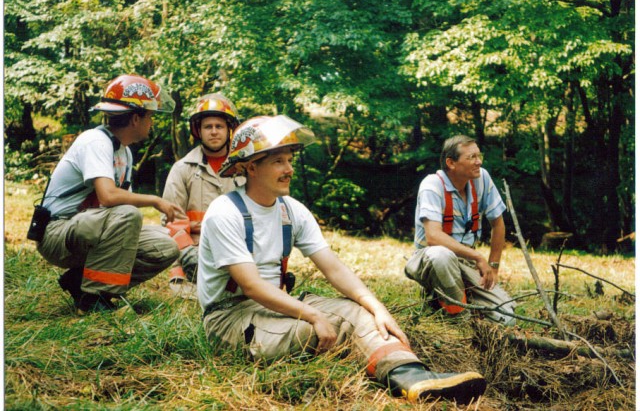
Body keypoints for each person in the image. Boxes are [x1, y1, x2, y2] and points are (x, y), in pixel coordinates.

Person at [197, 116, 487, 405]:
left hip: (276, 305)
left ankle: (412, 378)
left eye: (289, 160)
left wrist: (377, 308)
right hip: (229, 317)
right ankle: (383, 366)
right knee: (312, 330)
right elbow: (251, 287)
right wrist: (312, 315)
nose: (289, 169)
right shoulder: (225, 212)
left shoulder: (292, 211)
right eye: (278, 162)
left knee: (359, 313)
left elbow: (333, 268)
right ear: (250, 166)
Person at [36, 74, 183, 314]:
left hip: (88, 229)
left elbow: (118, 211)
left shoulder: (124, 153)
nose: (152, 123)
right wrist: (155, 200)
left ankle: (81, 282)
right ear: (136, 118)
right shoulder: (95, 141)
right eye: (150, 117)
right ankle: (95, 299)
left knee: (165, 246)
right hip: (57, 232)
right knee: (128, 215)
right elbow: (108, 197)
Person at [404, 135, 515, 325]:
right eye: (471, 157)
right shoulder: (432, 185)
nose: (478, 161)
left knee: (506, 318)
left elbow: (498, 223)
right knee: (441, 255)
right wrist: (479, 257)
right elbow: (433, 237)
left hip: (465, 263)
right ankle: (459, 318)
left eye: (479, 156)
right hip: (428, 259)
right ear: (451, 163)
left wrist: (493, 267)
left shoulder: (482, 178)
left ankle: (446, 299)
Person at [161, 93, 242, 296]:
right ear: (198, 130)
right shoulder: (182, 169)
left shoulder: (245, 168)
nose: (214, 132)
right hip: (193, 254)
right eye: (208, 127)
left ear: (229, 129)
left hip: (236, 250)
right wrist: (187, 252)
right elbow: (171, 220)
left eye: (219, 126)